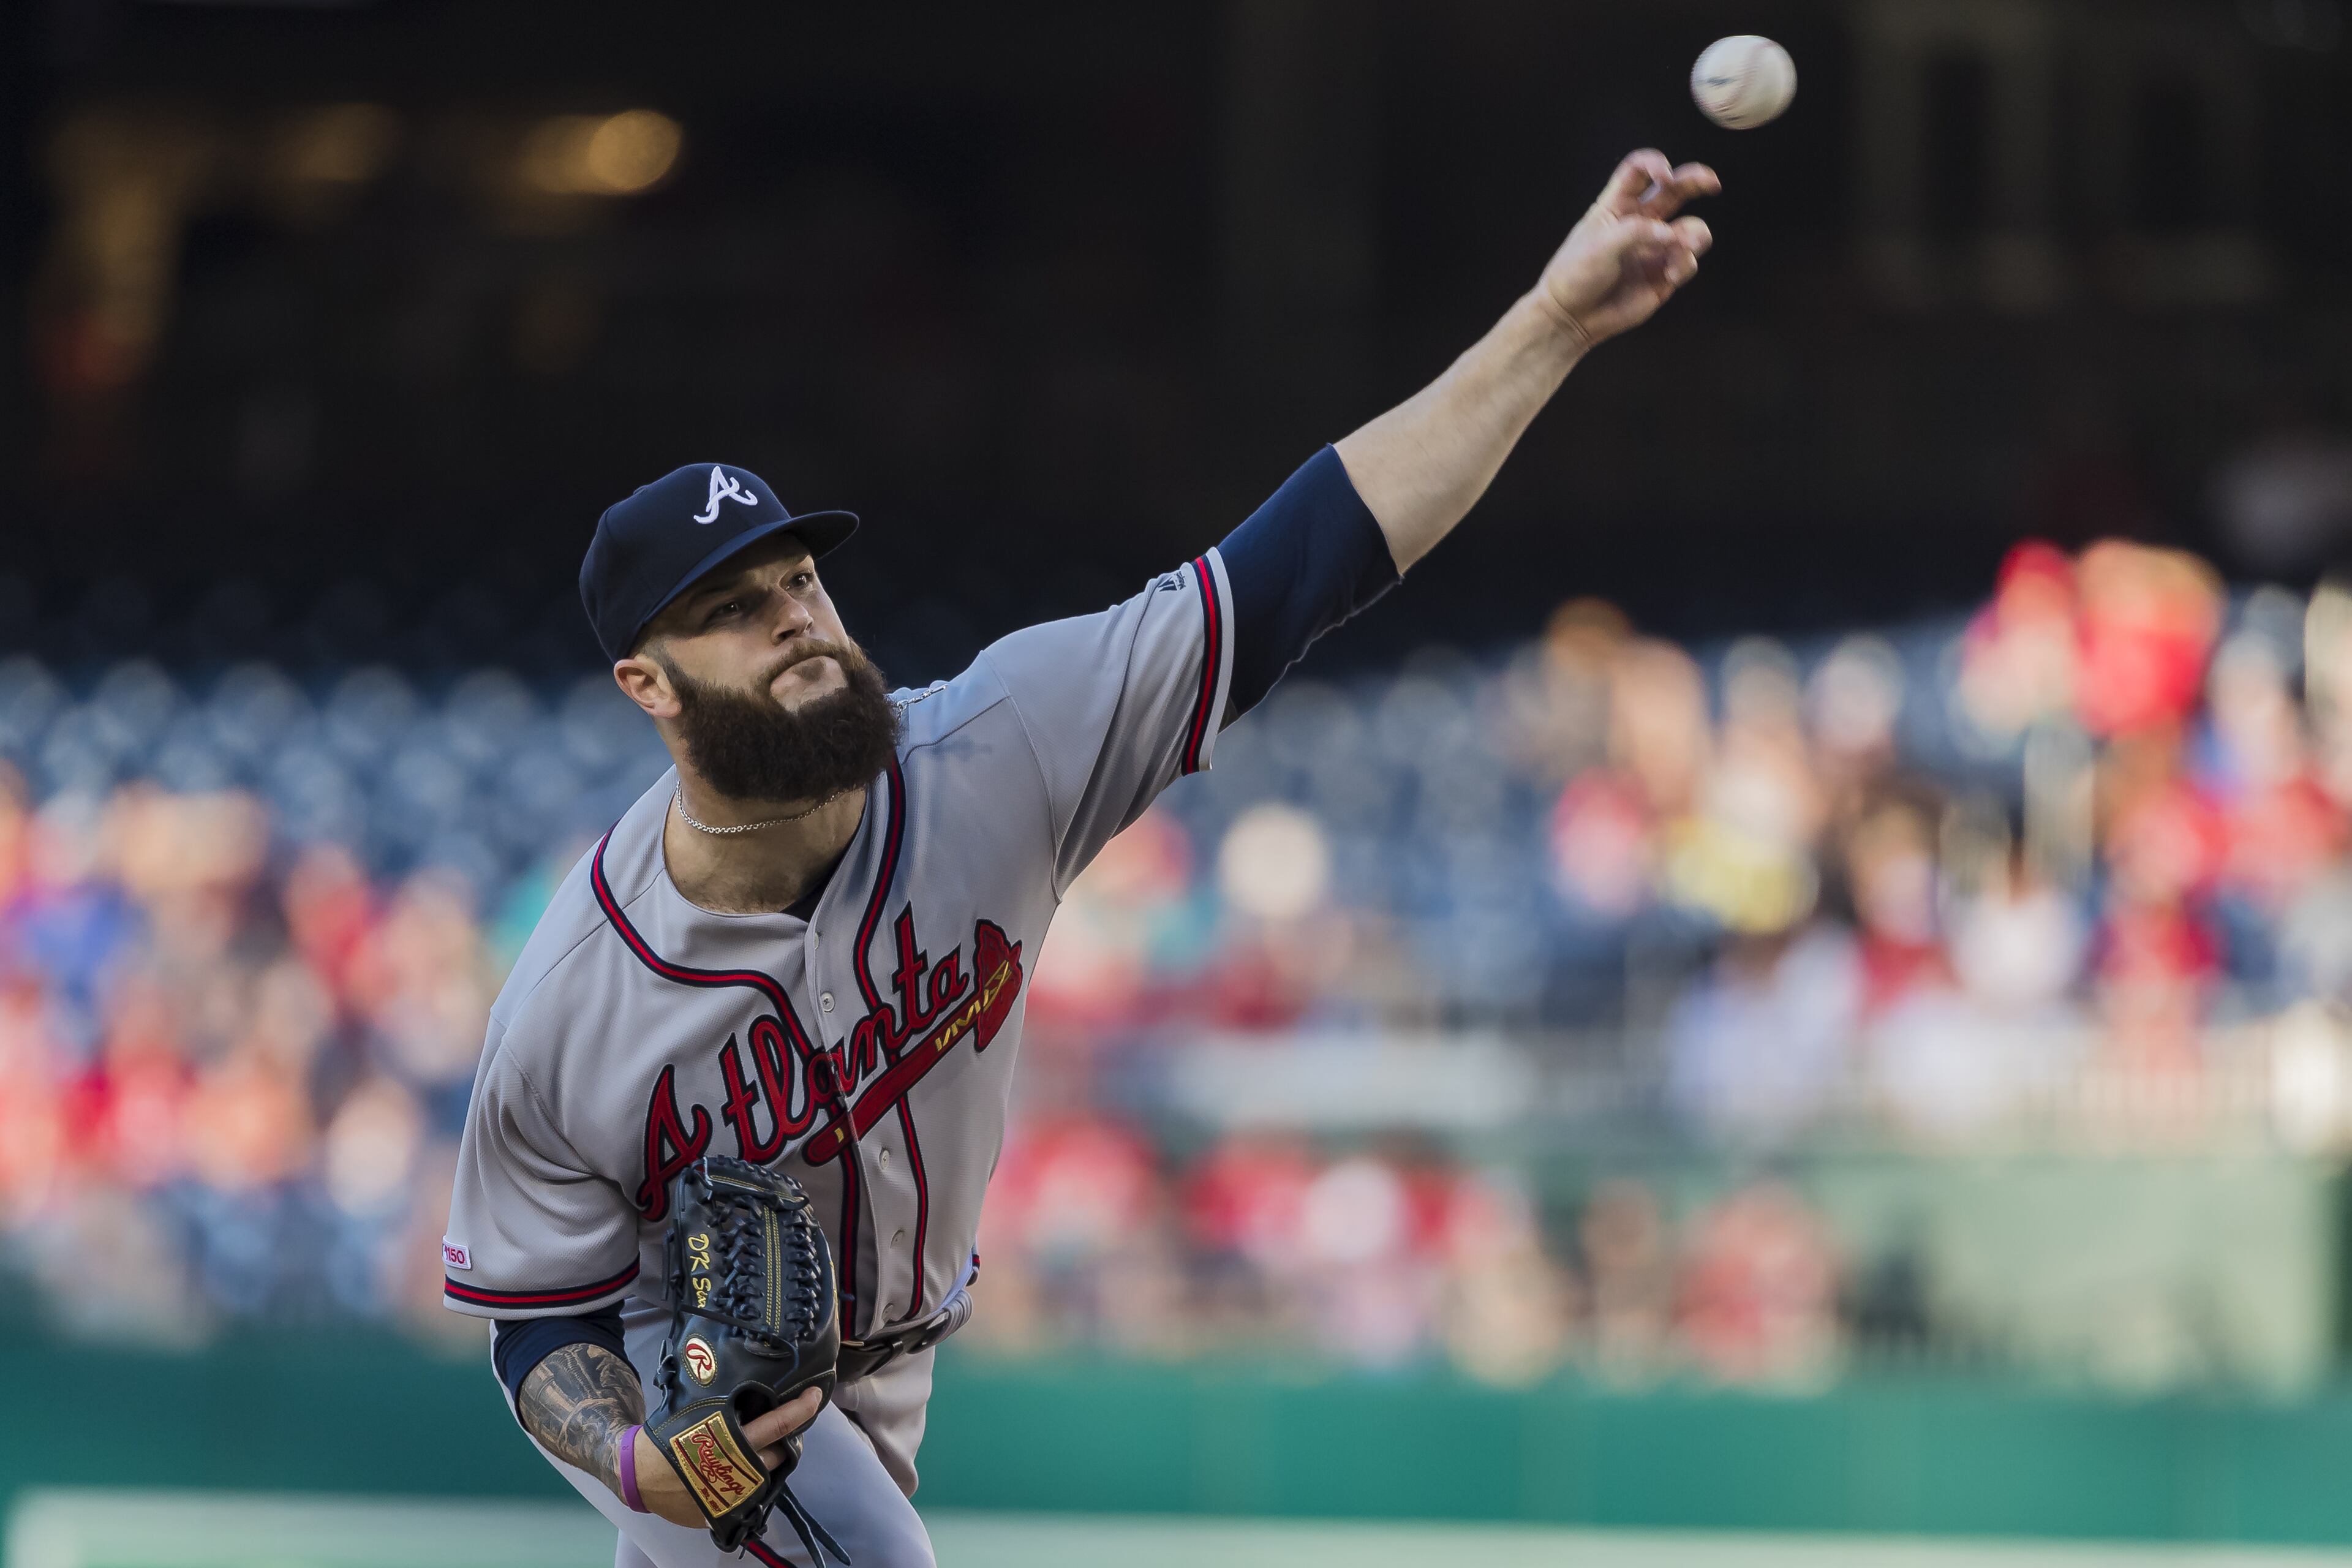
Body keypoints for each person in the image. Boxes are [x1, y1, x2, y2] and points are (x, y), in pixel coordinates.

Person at [440, 148, 1717, 1568]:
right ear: (649, 687)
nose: (796, 616)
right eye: (734, 608)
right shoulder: (576, 990)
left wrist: (1552, 320)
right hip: (705, 1389)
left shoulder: (1000, 751)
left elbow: (1305, 559)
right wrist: (637, 1459)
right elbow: (538, 1313)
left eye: (800, 575)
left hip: (896, 1365)